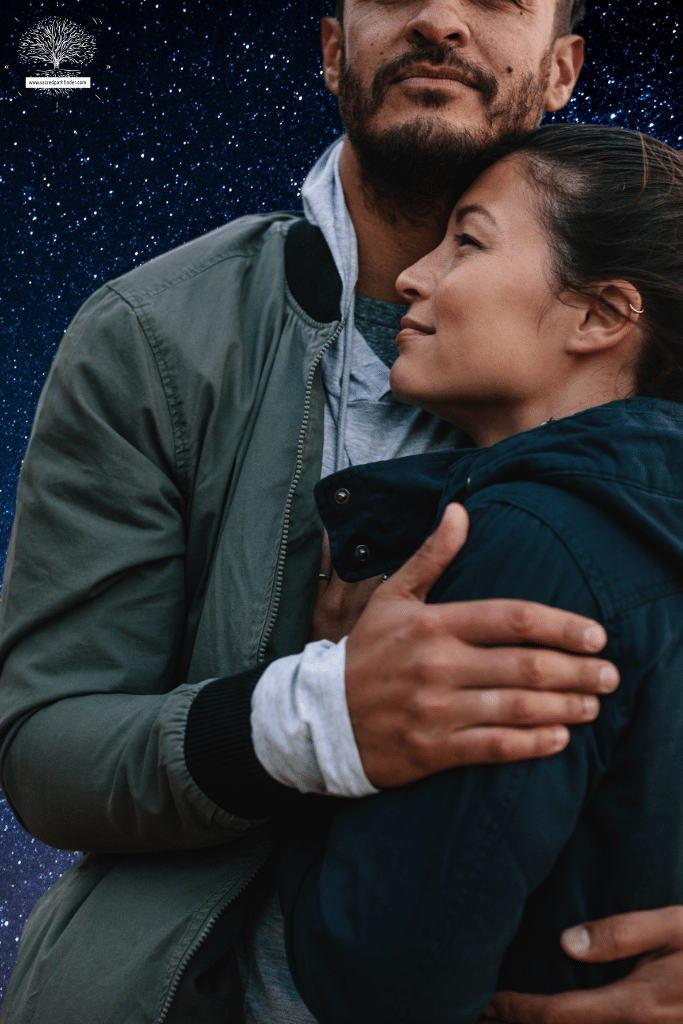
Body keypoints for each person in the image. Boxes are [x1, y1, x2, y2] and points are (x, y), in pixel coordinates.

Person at [0, 0, 681, 1021]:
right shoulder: (151, 337)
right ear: (330, 49)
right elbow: (48, 749)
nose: (442, 17)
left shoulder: (637, 367)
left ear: (560, 69)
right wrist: (316, 716)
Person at [279, 122, 683, 1023]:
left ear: (599, 316)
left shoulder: (530, 542)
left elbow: (377, 973)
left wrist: (332, 717)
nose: (413, 277)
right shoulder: (653, 523)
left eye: (467, 240)